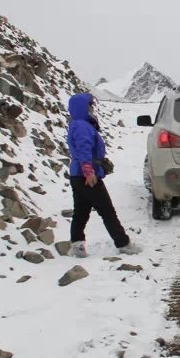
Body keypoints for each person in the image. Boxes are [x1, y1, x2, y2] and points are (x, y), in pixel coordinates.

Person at [67, 93, 133, 257]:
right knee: (107, 210)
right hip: (87, 176)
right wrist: (89, 171)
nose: (92, 109)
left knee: (81, 211)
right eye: (90, 106)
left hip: (77, 175)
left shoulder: (77, 124)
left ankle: (77, 245)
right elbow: (84, 149)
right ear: (82, 107)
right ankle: (123, 243)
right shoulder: (82, 126)